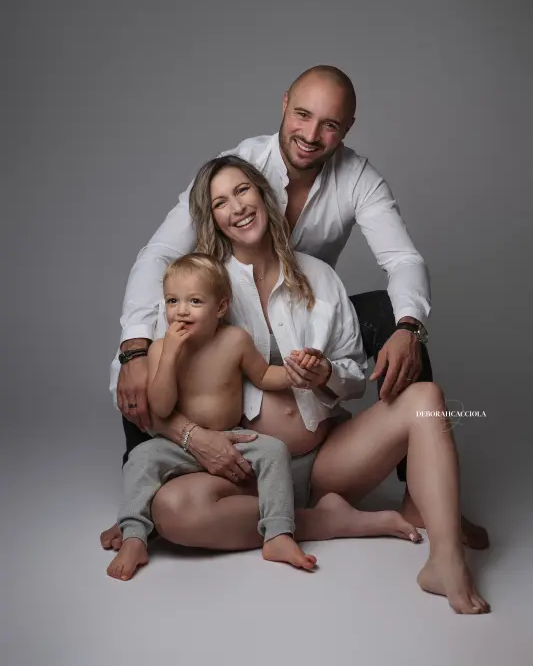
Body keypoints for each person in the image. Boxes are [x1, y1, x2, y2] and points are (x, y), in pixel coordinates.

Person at [101, 63, 487, 551]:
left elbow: (403, 260)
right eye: (302, 115)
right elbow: (159, 255)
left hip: (308, 306)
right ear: (284, 104)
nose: (310, 135)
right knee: (152, 351)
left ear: (347, 128)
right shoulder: (239, 168)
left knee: (399, 322)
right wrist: (134, 351)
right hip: (233, 308)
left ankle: (426, 495)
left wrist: (409, 328)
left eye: (330, 124)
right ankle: (139, 504)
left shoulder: (356, 179)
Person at [120, 156, 489, 613]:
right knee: (173, 511)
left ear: (264, 195)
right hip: (246, 472)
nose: (237, 207)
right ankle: (323, 521)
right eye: (220, 202)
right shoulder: (199, 288)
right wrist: (195, 438)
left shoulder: (318, 275)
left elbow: (353, 378)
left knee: (426, 398)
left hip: (329, 461)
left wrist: (326, 374)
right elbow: (153, 387)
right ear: (211, 218)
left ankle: (447, 560)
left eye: (243, 191)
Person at [107, 252, 334, 580]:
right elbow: (161, 408)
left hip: (231, 438)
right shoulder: (159, 349)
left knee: (274, 450)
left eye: (195, 301)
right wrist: (169, 356)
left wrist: (294, 374)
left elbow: (263, 376)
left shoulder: (235, 341)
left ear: (221, 307)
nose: (181, 311)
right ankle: (134, 537)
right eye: (172, 301)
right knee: (140, 458)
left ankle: (278, 534)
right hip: (178, 445)